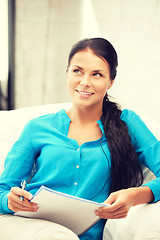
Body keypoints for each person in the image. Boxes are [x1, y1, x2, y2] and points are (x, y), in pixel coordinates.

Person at [0, 37, 160, 240]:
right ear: (67, 73)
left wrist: (134, 196)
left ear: (111, 81)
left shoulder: (128, 123)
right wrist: (9, 201)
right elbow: (2, 190)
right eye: (77, 71)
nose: (85, 82)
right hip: (34, 229)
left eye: (97, 74)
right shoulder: (37, 128)